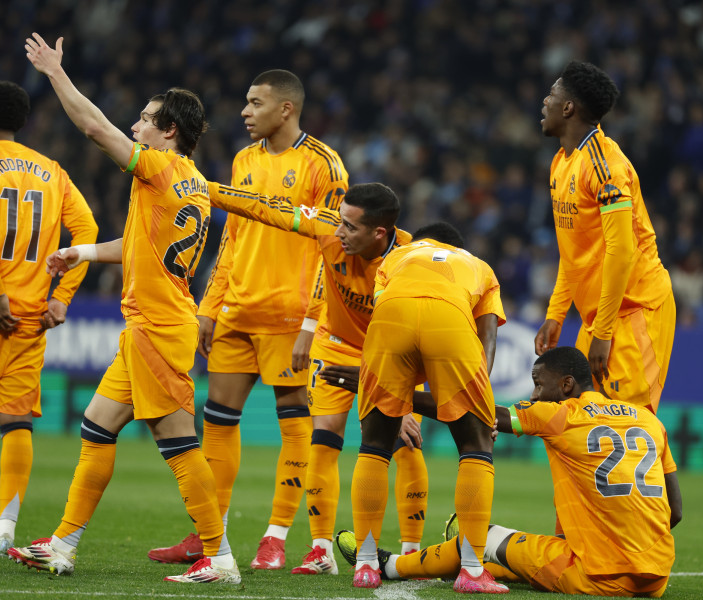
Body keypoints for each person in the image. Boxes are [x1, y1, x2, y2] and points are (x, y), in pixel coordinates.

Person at [8, 33, 239, 584]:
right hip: (151, 324)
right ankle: (62, 544)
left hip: (158, 327)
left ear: (169, 132)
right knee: (96, 427)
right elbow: (137, 244)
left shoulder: (158, 168)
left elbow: (93, 127)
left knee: (178, 443)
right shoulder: (194, 185)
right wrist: (82, 251)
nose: (134, 126)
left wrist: (55, 74)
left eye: (144, 119)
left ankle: (221, 557)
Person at [146, 69, 348, 571]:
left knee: (294, 423)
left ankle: (275, 536)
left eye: (255, 103)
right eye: (245, 101)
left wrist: (311, 324)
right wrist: (211, 306)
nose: (243, 111)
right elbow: (232, 237)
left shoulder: (325, 165)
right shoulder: (243, 159)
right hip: (237, 309)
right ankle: (205, 533)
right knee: (217, 420)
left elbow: (335, 251)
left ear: (286, 109)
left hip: (290, 316)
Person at [208, 181, 429, 575]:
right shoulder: (327, 226)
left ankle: (411, 549)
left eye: (350, 227)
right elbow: (262, 206)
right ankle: (321, 550)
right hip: (336, 344)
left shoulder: (411, 261)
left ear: (380, 233)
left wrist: (405, 401)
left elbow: (413, 335)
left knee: (404, 443)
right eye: (339, 222)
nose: (338, 232)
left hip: (391, 354)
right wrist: (194, 184)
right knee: (323, 441)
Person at [340, 346, 682, 597]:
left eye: (537, 384)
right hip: (656, 579)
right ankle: (472, 562)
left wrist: (391, 391)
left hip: (597, 576)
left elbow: (480, 412)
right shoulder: (649, 420)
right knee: (512, 559)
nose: (533, 394)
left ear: (565, 386)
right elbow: (675, 513)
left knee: (478, 539)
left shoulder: (563, 416)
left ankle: (389, 565)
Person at [339, 222, 506, 592]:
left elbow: (389, 316)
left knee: (374, 447)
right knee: (476, 448)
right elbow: (488, 334)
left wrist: (395, 405)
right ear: (458, 245)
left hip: (389, 320)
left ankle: (365, 565)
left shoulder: (397, 256)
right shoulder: (480, 266)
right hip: (450, 320)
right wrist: (481, 400)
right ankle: (472, 571)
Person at [534, 61, 676, 414]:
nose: (544, 102)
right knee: (586, 421)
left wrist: (604, 332)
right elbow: (574, 252)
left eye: (551, 94)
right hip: (599, 317)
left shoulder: (605, 165)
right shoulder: (561, 163)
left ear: (568, 108)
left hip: (636, 309)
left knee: (630, 426)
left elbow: (621, 252)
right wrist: (556, 314)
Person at [0, 81, 98, 554]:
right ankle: (5, 527)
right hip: (30, 316)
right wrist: (63, 297)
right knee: (15, 421)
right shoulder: (50, 171)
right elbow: (88, 229)